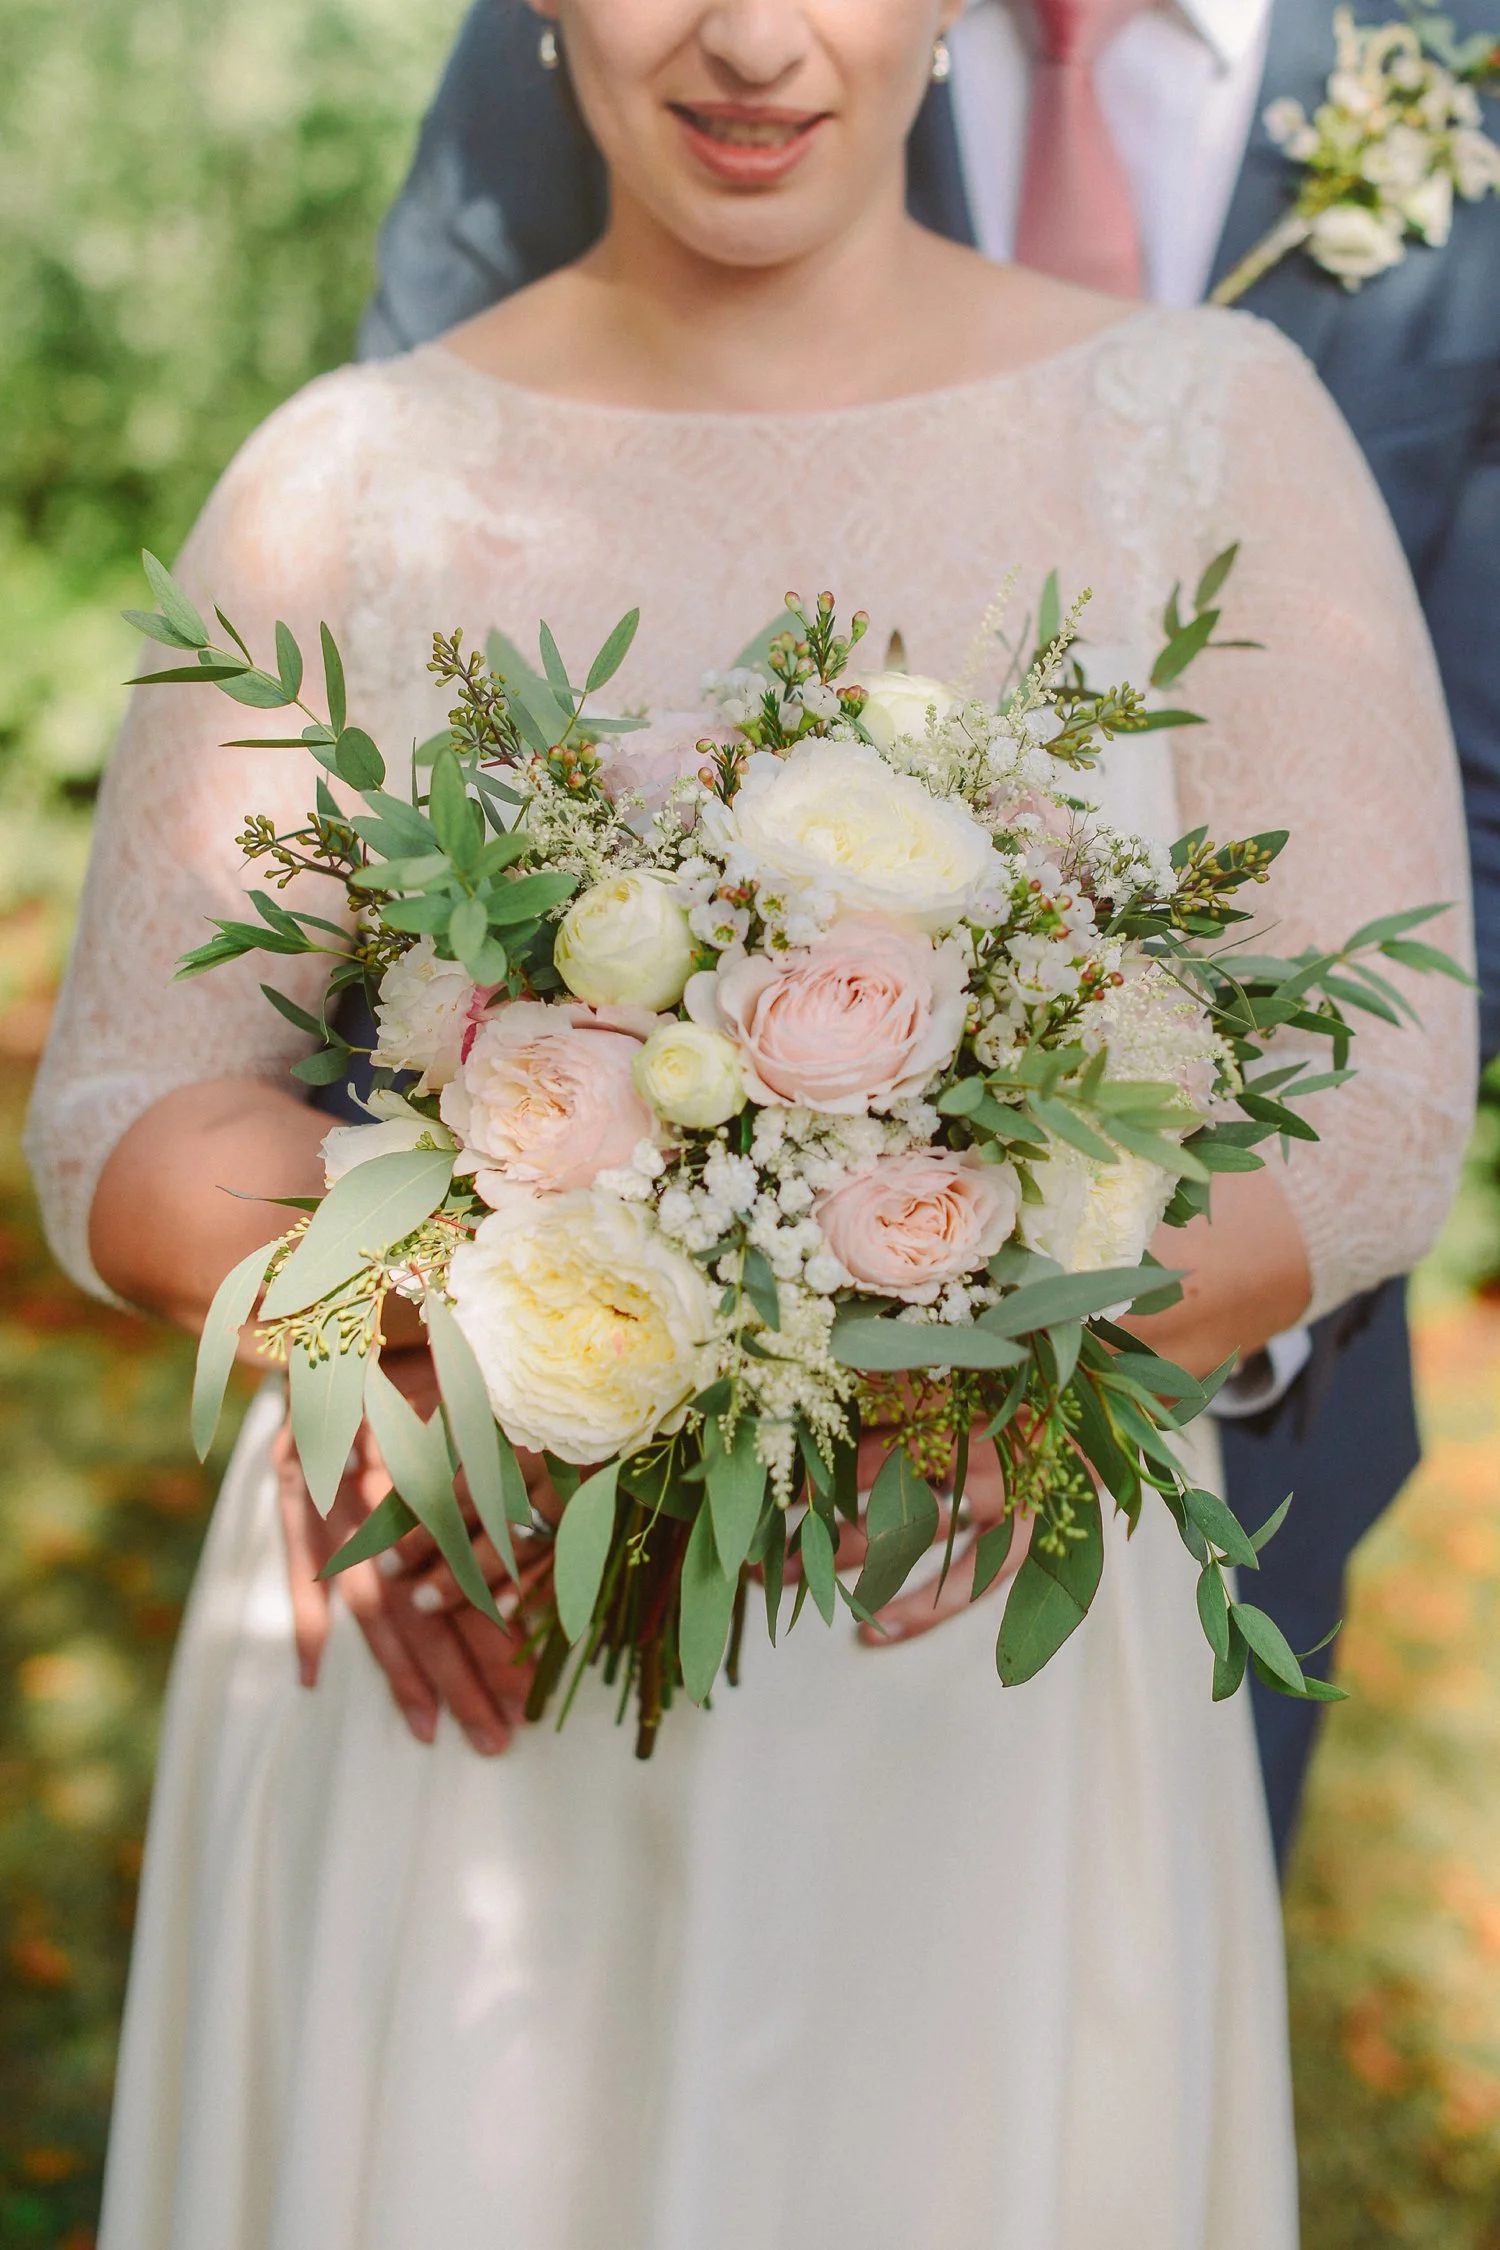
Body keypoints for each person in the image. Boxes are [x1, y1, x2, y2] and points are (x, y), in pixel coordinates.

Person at [25, 2, 1475, 2243]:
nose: (749, 38)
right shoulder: (347, 482)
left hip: (968, 1683)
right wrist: (441, 1324)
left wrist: (975, 1354)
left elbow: (1381, 1117)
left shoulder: (1209, 434)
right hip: (460, 1650)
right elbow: (116, 1114)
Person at [357, 0, 1500, 1868]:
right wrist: (410, 1357)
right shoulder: (391, 446)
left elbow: (1414, 961)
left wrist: (1070, 1335)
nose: (749, 39)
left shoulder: (1235, 388)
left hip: (1124, 1496)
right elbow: (357, 876)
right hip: (495, 1553)